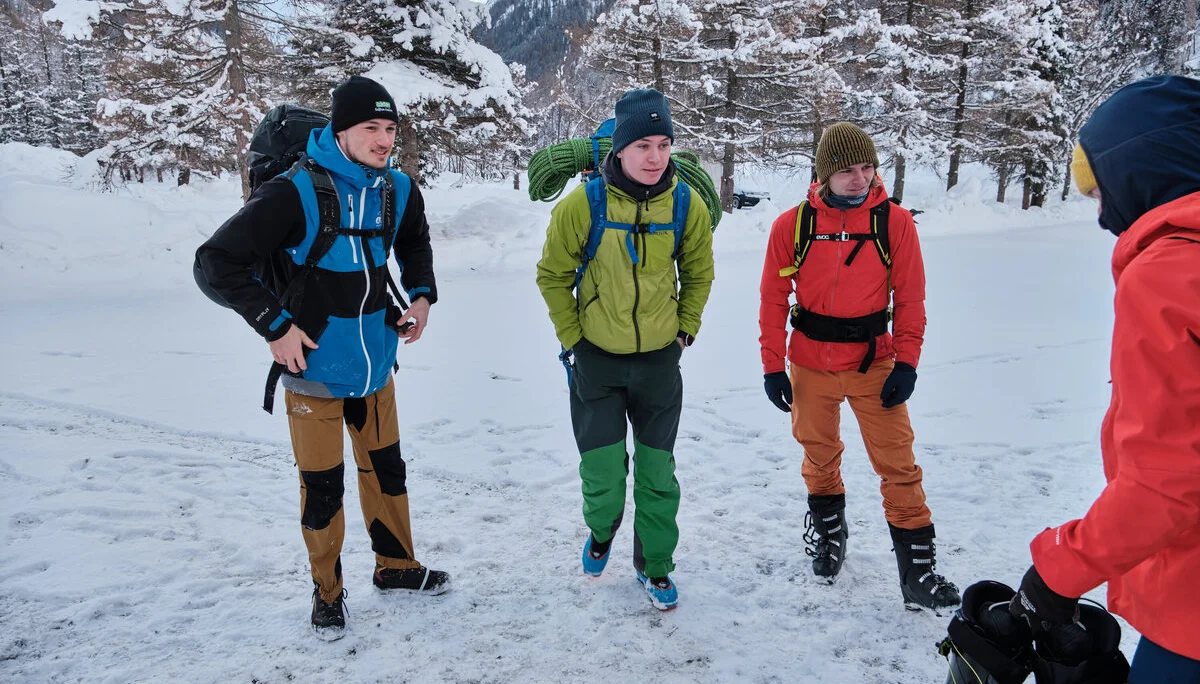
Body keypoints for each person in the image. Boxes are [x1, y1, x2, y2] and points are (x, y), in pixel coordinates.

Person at [195, 75, 449, 640]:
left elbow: (414, 241)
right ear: (340, 130)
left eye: (390, 129)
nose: (384, 141)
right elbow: (215, 262)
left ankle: (397, 567)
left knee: (388, 472)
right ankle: (327, 592)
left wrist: (424, 294)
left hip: (377, 363)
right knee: (323, 484)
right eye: (371, 129)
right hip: (311, 372)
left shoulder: (398, 189)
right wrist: (274, 326)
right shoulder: (295, 191)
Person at [1008, 74, 1200, 682]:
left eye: (1102, 190)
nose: (1100, 214)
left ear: (1142, 171)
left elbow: (1169, 481)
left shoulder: (1169, 274)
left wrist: (1062, 568)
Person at [757, 122, 959, 610]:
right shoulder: (794, 225)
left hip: (875, 364)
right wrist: (771, 365)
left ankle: (918, 573)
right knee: (819, 456)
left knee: (898, 465)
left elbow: (911, 299)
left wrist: (907, 364)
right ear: (824, 173)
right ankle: (830, 535)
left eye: (867, 168)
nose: (859, 178)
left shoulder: (894, 223)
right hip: (809, 363)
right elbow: (772, 298)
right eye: (847, 170)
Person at [535, 88, 715, 610]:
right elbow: (552, 276)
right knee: (605, 476)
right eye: (643, 145)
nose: (655, 156)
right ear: (619, 149)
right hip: (598, 362)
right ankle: (601, 529)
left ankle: (655, 568)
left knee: (659, 476)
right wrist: (574, 340)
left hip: (660, 362)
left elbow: (699, 271)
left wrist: (685, 329)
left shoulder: (686, 204)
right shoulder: (583, 205)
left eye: (663, 144)